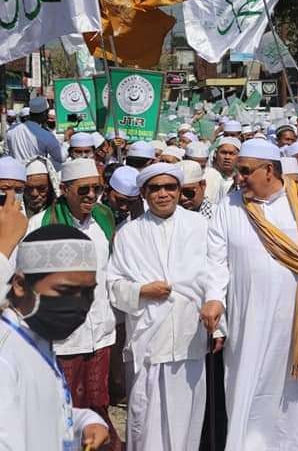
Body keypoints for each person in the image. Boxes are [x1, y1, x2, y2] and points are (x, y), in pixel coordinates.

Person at [204, 139, 298, 451]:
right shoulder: (230, 206)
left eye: (245, 171)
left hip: (295, 327)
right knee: (244, 395)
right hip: (246, 325)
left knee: (290, 404)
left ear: (269, 170)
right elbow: (215, 261)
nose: (239, 178)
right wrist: (215, 300)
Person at [107, 163, 216, 451]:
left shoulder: (201, 227)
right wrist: (141, 290)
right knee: (145, 417)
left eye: (170, 187)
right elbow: (113, 283)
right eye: (155, 188)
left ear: (180, 191)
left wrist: (220, 326)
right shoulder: (129, 234)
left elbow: (217, 277)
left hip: (188, 335)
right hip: (148, 339)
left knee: (186, 418)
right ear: (143, 193)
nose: (163, 194)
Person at [27, 158, 120, 448]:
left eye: (97, 188)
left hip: (99, 333)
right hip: (62, 337)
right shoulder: (40, 224)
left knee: (98, 403)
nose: (92, 196)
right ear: (64, 189)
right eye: (84, 190)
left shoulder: (104, 218)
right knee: (65, 409)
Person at [2, 222, 111, 450]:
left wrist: (87, 423)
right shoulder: (6, 353)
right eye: (65, 292)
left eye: (87, 292)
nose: (79, 304)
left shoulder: (35, 338)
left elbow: (46, 412)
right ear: (21, 285)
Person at [6, 97, 63, 170]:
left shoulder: (11, 131)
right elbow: (60, 157)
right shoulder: (46, 135)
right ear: (44, 113)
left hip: (17, 174)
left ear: (30, 113)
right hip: (36, 176)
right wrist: (66, 141)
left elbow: (7, 152)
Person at [204, 137, 240, 204]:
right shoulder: (207, 175)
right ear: (216, 154)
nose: (227, 157)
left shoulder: (241, 181)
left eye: (231, 154)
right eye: (223, 153)